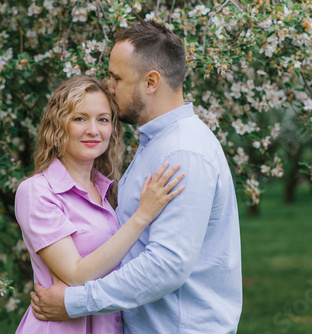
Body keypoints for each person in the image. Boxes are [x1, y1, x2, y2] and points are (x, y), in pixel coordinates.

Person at [30, 21, 243, 333]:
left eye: (117, 77)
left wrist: (75, 301)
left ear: (151, 82)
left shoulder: (182, 153)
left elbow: (166, 266)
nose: (110, 86)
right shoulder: (158, 144)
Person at [14, 75, 185, 333]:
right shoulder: (37, 191)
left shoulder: (105, 191)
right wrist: (143, 215)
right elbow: (76, 274)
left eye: (103, 119)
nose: (93, 130)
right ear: (58, 124)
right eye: (80, 118)